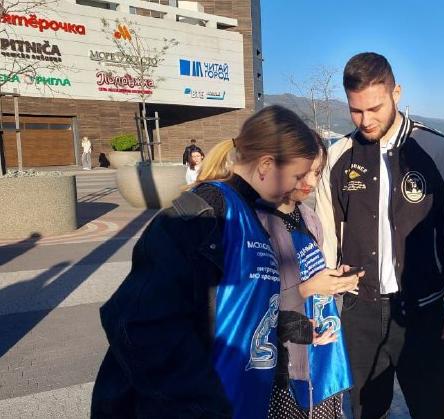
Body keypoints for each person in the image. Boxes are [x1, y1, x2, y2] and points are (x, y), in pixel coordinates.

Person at [91, 105, 362, 419]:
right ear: (266, 165)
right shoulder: (204, 214)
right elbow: (136, 322)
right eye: (297, 175)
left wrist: (292, 326)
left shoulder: (251, 217)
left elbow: (237, 311)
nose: (301, 186)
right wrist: (202, 405)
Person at [315, 52, 444, 419]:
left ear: (397, 93)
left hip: (424, 313)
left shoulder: (439, 151)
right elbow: (325, 238)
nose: (365, 120)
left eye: (375, 108)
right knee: (365, 411)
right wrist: (325, 307)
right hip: (359, 313)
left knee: (432, 408)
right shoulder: (338, 156)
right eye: (356, 111)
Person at [261, 132, 358, 418]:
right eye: (302, 172)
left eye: (317, 172)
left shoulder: (308, 217)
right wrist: (308, 288)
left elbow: (312, 271)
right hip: (286, 364)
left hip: (323, 355)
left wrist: (333, 279)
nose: (311, 182)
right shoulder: (259, 221)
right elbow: (254, 303)